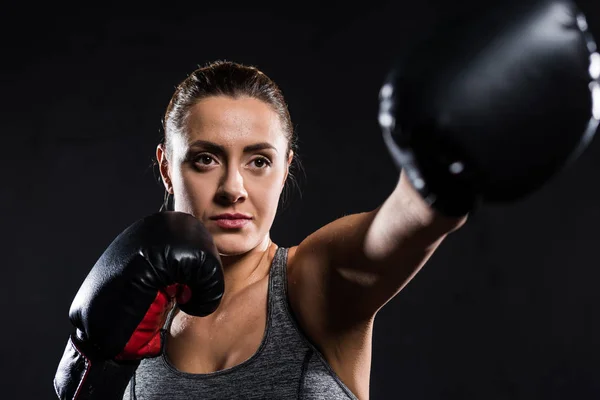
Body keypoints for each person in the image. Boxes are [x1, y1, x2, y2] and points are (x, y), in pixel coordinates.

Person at [54, 0, 598, 399]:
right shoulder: (137, 306)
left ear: (286, 167)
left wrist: (435, 179)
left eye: (259, 160)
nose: (233, 187)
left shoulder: (312, 280)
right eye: (205, 158)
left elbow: (394, 231)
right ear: (165, 167)